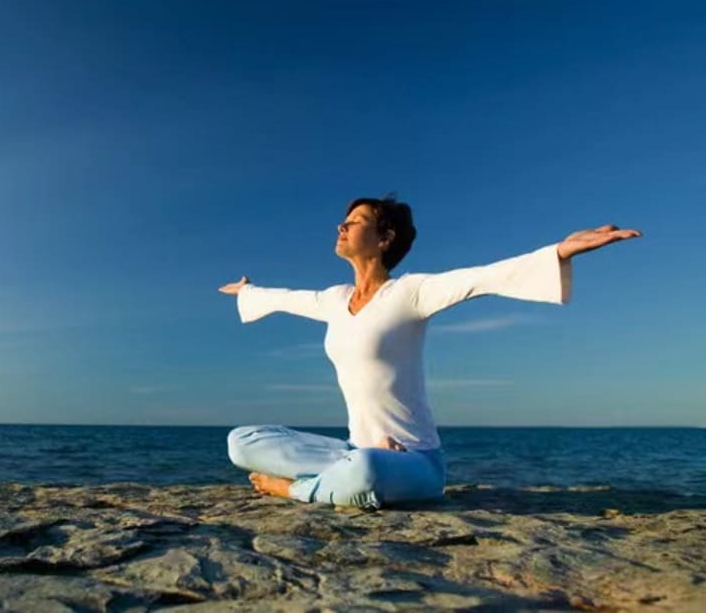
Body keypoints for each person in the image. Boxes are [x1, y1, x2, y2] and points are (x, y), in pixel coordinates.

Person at [219, 196, 641, 509]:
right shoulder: (335, 299)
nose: (341, 227)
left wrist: (560, 250)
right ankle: (345, 473)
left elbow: (483, 277)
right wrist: (249, 291)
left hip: (415, 461)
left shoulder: (410, 292)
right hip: (355, 448)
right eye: (343, 221)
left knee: (367, 470)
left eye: (355, 221)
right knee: (242, 442)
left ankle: (298, 489)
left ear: (384, 238)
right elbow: (288, 297)